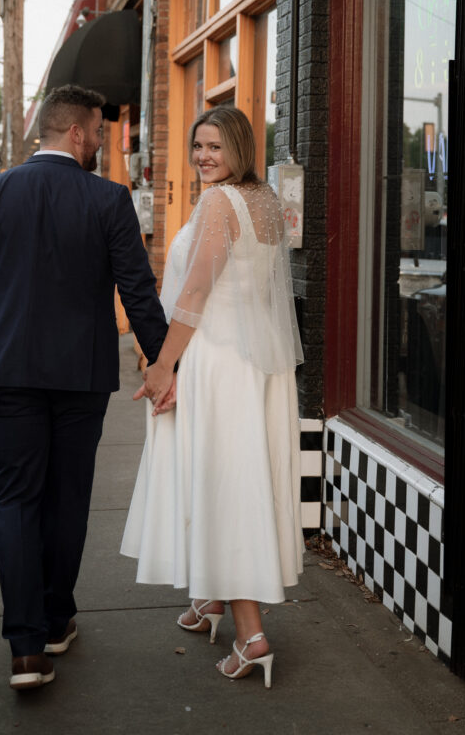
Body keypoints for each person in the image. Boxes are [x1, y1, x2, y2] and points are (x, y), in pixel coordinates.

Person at [0, 84, 169, 691]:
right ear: (77, 133)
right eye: (100, 131)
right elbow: (137, 289)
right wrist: (163, 363)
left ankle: (25, 647)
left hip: (7, 373)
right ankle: (55, 621)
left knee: (16, 498)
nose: (102, 142)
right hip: (80, 377)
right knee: (68, 495)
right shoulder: (108, 199)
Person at [121, 105, 304, 686]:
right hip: (257, 368)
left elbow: (197, 289)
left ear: (239, 151)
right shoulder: (268, 202)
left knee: (225, 487)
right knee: (237, 479)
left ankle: (252, 637)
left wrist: (162, 365)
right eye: (198, 146)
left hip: (218, 365)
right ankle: (213, 601)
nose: (203, 157)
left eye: (215, 148)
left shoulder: (219, 202)